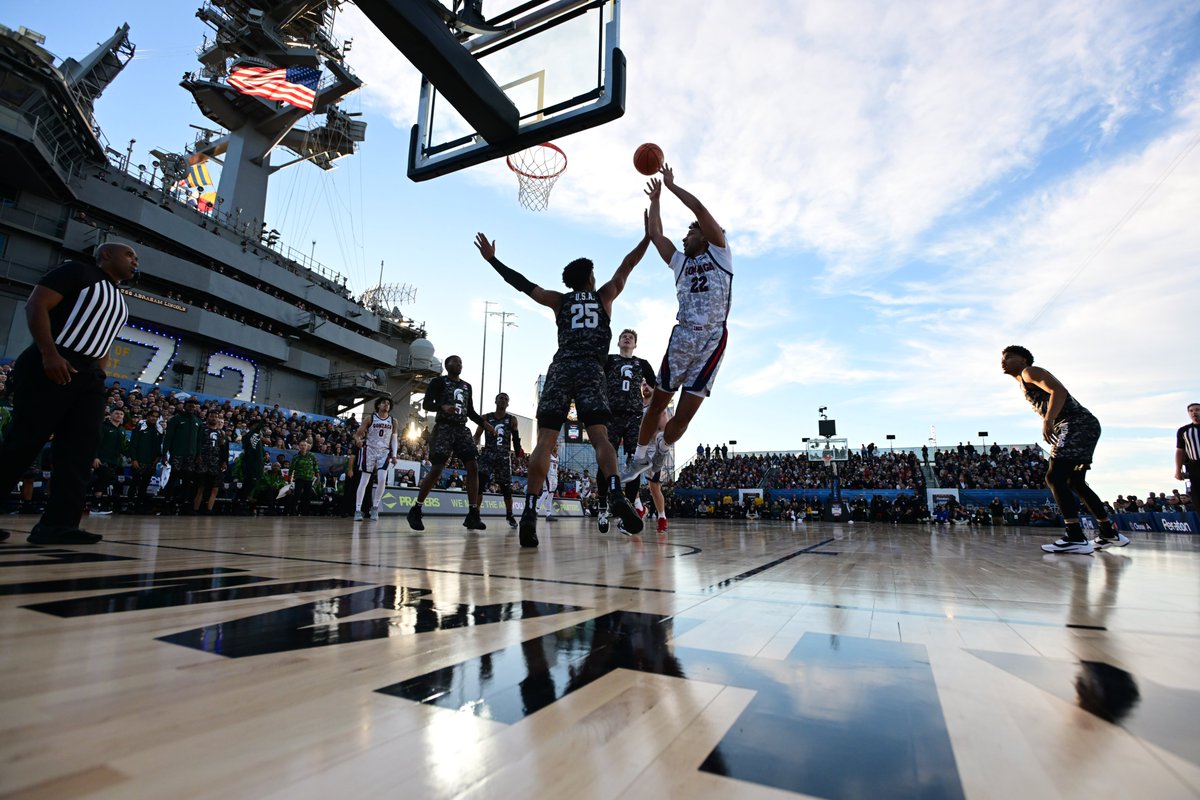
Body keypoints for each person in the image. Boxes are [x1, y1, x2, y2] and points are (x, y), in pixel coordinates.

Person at [475, 211, 652, 547]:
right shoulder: (604, 296)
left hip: (560, 369)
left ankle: (529, 510)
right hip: (591, 370)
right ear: (590, 278)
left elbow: (524, 285)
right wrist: (645, 237)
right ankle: (615, 493)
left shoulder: (559, 300)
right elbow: (628, 265)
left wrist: (493, 261)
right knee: (601, 438)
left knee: (544, 441)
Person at [0, 242, 136, 544]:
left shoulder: (120, 300)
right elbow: (37, 304)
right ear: (105, 255)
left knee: (80, 451)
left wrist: (99, 376)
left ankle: (58, 525)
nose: (134, 261)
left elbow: (103, 342)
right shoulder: (78, 271)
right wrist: (48, 353)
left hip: (88, 376)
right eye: (128, 255)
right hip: (52, 361)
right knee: (23, 442)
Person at [624, 169, 731, 484]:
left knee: (681, 421)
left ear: (703, 235)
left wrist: (671, 187)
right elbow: (657, 235)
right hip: (683, 338)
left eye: (688, 233)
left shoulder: (721, 253)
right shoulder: (680, 262)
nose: (684, 238)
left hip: (712, 341)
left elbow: (699, 210)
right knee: (657, 403)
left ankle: (661, 444)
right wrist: (655, 201)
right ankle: (640, 456)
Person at [1001, 345, 1128, 553]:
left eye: (1009, 357)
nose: (1003, 361)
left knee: (1054, 477)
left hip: (1074, 423)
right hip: (1083, 425)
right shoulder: (1023, 381)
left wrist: (1048, 420)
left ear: (1023, 360)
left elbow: (1058, 390)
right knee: (1075, 481)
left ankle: (1076, 536)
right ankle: (1108, 532)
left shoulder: (1029, 372)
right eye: (1003, 358)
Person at [406, 356, 492, 532]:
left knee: (473, 466)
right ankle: (416, 509)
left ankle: (473, 513)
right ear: (447, 365)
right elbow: (427, 404)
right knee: (437, 468)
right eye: (455, 362)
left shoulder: (467, 386)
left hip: (461, 429)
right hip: (444, 428)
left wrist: (485, 424)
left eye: (461, 362)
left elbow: (471, 412)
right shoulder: (439, 382)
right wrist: (442, 407)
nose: (459, 364)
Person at [595, 329, 656, 533]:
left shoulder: (642, 364)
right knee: (605, 462)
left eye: (631, 338)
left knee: (635, 463)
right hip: (611, 415)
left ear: (635, 344)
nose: (627, 339)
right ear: (619, 342)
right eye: (624, 337)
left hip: (634, 417)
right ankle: (602, 506)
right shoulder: (609, 360)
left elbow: (656, 386)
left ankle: (628, 510)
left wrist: (653, 408)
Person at [475, 392, 523, 528]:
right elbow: (477, 435)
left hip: (503, 456)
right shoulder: (486, 417)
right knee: (480, 483)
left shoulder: (512, 419)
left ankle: (510, 514)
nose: (503, 400)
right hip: (488, 454)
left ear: (508, 404)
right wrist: (474, 447)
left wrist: (519, 454)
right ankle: (475, 513)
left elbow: (516, 438)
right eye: (500, 398)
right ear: (495, 401)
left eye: (506, 399)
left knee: (506, 488)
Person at [351, 397, 397, 522]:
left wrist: (394, 455)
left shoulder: (393, 421)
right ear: (378, 405)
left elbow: (394, 439)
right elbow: (357, 434)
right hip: (370, 449)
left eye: (388, 403)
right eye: (384, 403)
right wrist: (358, 440)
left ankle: (375, 507)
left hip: (384, 452)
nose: (386, 405)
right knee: (364, 480)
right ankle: (358, 510)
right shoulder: (370, 418)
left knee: (382, 479)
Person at [162, 397, 202, 513]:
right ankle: (167, 504)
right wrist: (165, 453)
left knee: (187, 481)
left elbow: (199, 440)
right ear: (185, 406)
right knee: (172, 479)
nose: (191, 408)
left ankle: (184, 505)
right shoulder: (176, 419)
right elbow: (168, 438)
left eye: (194, 406)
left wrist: (198, 454)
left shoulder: (198, 421)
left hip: (191, 457)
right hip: (176, 455)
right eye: (189, 406)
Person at [90, 407, 127, 514]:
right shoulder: (103, 426)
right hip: (101, 459)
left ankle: (99, 504)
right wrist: (95, 457)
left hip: (114, 460)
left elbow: (122, 446)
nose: (119, 415)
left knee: (105, 479)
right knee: (104, 476)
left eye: (121, 414)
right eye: (116, 413)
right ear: (111, 414)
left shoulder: (122, 429)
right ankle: (95, 505)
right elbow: (95, 442)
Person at [192, 413, 229, 514]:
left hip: (215, 464)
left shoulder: (221, 432)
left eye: (215, 417)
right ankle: (195, 509)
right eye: (211, 416)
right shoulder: (202, 429)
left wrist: (224, 462)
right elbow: (197, 442)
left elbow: (223, 449)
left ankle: (208, 510)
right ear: (208, 417)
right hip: (202, 461)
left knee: (213, 487)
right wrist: (197, 455)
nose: (214, 418)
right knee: (200, 487)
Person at [128, 409, 162, 513]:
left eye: (156, 417)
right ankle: (130, 505)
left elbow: (158, 447)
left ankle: (139, 505)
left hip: (150, 463)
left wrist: (157, 458)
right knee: (134, 483)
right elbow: (133, 445)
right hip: (139, 461)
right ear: (147, 416)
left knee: (144, 485)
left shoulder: (158, 431)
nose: (154, 418)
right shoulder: (140, 428)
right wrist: (134, 459)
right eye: (152, 416)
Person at [1175, 402, 1200, 516]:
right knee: (1197, 499)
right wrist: (1178, 470)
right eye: (1191, 411)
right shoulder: (1184, 431)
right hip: (1194, 466)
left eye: (1197, 410)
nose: (1194, 412)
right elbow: (1180, 451)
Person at [288, 439, 320, 515]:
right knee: (297, 495)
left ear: (307, 447)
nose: (303, 447)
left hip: (309, 478)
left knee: (307, 496)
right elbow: (291, 468)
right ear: (299, 446)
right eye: (301, 445)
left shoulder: (311, 455)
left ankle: (304, 512)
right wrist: (289, 478)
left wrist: (317, 475)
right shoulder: (296, 457)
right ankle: (293, 511)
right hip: (299, 478)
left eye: (304, 445)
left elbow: (315, 466)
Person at [537, 439, 560, 521]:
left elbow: (556, 468)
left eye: (557, 445)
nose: (556, 447)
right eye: (555, 445)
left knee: (551, 495)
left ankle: (548, 514)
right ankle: (536, 511)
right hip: (548, 475)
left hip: (554, 476)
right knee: (545, 493)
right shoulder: (548, 454)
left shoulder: (557, 457)